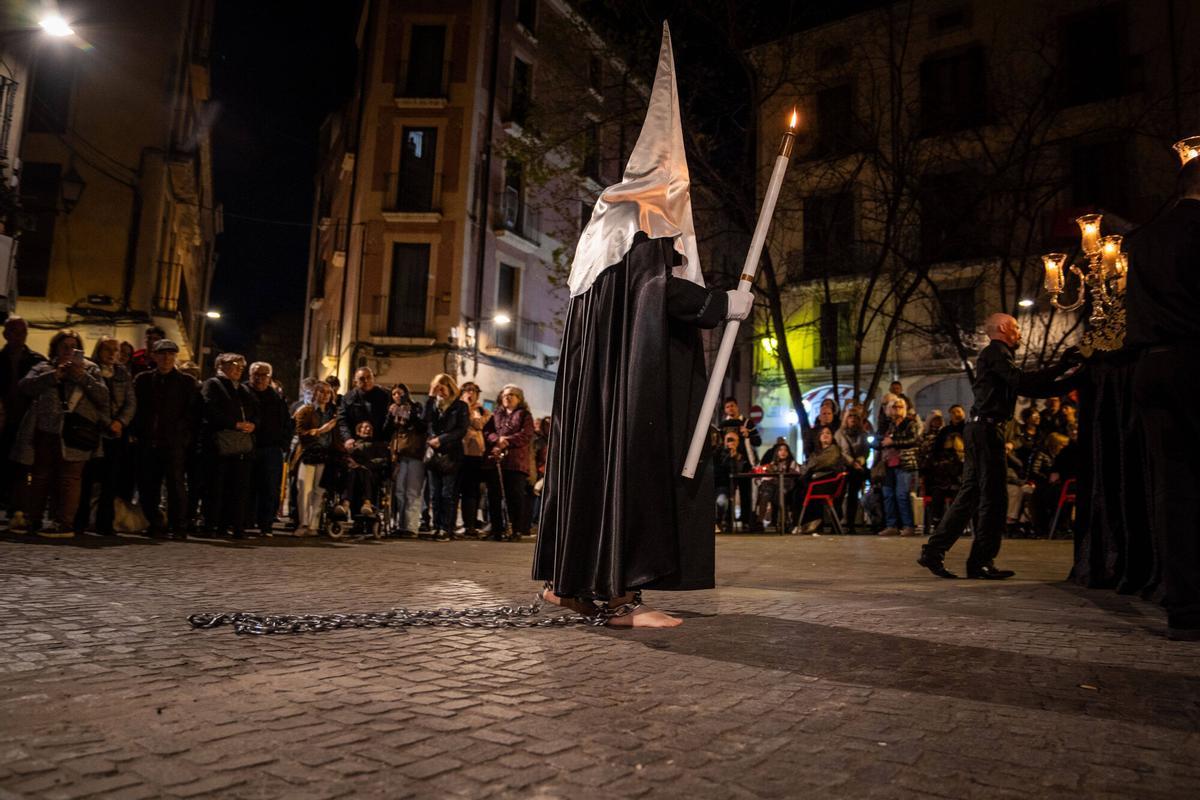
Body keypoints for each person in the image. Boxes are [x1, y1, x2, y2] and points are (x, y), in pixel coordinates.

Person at [534, 24, 755, 627]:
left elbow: (632, 299)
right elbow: (656, 295)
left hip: (596, 395)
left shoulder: (600, 230)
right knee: (625, 465)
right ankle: (622, 597)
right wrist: (721, 305)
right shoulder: (640, 227)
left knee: (591, 468)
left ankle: (568, 584)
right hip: (627, 394)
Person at [919, 313, 1080, 579]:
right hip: (986, 431)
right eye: (1016, 327)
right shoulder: (996, 352)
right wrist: (1064, 369)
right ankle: (980, 561)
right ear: (1004, 328)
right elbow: (1023, 382)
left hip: (980, 429)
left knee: (970, 495)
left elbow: (1028, 387)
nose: (1019, 332)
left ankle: (935, 552)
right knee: (994, 498)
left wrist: (1066, 377)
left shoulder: (997, 356)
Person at [1125, 152, 1200, 639]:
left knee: (1173, 489)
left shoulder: (1144, 239)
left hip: (1151, 365)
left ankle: (1185, 607)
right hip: (1196, 359)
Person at [11, 330, 109, 537]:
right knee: (40, 477)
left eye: (73, 346)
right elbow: (25, 386)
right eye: (64, 346)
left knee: (70, 479)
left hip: (76, 433)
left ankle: (64, 523)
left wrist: (81, 375)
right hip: (46, 430)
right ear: (55, 348)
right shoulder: (43, 367)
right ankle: (33, 519)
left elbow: (102, 397)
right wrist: (54, 376)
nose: (68, 350)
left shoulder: (91, 369)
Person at [132, 340, 198, 538]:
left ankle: (179, 526)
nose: (166, 358)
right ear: (154, 356)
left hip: (173, 443)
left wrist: (183, 437)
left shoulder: (186, 382)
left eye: (170, 354)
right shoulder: (143, 380)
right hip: (148, 441)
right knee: (148, 485)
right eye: (162, 354)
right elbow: (137, 409)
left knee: (175, 486)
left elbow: (192, 413)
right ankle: (155, 523)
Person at [75, 337, 136, 535]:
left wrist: (120, 422)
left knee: (111, 481)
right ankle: (80, 520)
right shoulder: (91, 370)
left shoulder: (123, 373)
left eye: (115, 350)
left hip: (116, 435)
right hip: (94, 432)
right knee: (87, 479)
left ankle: (105, 522)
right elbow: (92, 400)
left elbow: (130, 402)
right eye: (107, 349)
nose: (111, 354)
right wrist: (106, 422)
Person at [201, 353, 258, 538]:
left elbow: (255, 410)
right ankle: (211, 525)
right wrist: (234, 424)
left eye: (242, 365)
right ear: (221, 365)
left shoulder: (243, 390)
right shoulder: (213, 385)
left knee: (238, 487)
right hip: (220, 444)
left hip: (241, 446)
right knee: (216, 486)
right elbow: (210, 410)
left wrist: (253, 424)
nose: (239, 368)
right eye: (235, 364)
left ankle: (232, 525)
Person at [0, 316, 45, 527]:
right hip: (4, 418)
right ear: (6, 334)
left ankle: (17, 506)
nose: (20, 336)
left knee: (22, 465)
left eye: (23, 332)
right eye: (16, 332)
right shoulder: (0, 360)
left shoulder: (36, 361)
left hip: (26, 419)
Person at [483, 384, 535, 541]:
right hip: (496, 461)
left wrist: (507, 441)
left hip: (515, 463)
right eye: (505, 395)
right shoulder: (496, 414)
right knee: (494, 496)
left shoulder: (524, 415)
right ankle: (496, 529)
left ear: (519, 399)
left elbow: (526, 434)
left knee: (515, 497)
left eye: (512, 395)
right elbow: (487, 431)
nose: (507, 397)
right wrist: (496, 440)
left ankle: (515, 529)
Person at [246, 362, 292, 534]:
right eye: (256, 374)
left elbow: (287, 422)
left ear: (269, 378)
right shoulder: (243, 393)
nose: (260, 378)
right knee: (247, 486)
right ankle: (246, 522)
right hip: (248, 447)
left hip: (271, 448)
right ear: (250, 375)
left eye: (264, 375)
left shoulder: (276, 397)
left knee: (270, 487)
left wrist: (283, 443)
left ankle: (265, 524)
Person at [424, 373, 467, 541]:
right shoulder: (433, 405)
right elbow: (424, 421)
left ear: (450, 388)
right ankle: (436, 526)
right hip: (434, 455)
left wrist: (441, 440)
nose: (440, 391)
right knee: (434, 493)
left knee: (447, 493)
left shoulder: (460, 406)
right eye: (437, 387)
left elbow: (461, 430)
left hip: (451, 454)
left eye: (443, 387)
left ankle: (446, 527)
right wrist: (430, 397)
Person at [292, 379, 338, 536]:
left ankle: (314, 525)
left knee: (319, 490)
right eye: (321, 392)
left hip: (325, 455)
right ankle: (303, 523)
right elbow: (301, 433)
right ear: (315, 393)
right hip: (308, 453)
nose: (324, 395)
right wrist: (319, 431)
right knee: (304, 488)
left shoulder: (334, 413)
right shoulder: (306, 411)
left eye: (328, 393)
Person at [387, 383, 426, 536]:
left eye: (400, 393)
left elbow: (422, 427)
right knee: (399, 491)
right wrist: (390, 415)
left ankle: (411, 526)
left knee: (412, 491)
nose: (397, 396)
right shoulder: (392, 410)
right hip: (398, 454)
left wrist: (409, 416)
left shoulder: (416, 407)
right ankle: (400, 524)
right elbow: (387, 430)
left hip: (415, 453)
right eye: (394, 394)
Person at [718, 397, 763, 532]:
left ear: (737, 407)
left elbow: (758, 442)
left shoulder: (748, 422)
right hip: (727, 464)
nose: (730, 409)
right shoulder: (723, 425)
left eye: (732, 406)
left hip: (745, 463)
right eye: (727, 407)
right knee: (728, 492)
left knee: (746, 493)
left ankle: (746, 521)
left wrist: (748, 434)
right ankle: (727, 522)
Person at [793, 426, 844, 534]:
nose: (825, 435)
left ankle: (811, 521)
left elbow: (819, 463)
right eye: (822, 433)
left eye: (828, 433)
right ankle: (802, 523)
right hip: (817, 480)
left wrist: (809, 467)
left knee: (803, 488)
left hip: (827, 482)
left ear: (832, 437)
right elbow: (810, 465)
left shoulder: (833, 450)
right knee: (796, 490)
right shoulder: (817, 452)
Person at [456, 381, 489, 537]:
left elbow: (480, 424)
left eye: (473, 391)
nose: (470, 393)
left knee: (471, 491)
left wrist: (469, 410)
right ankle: (452, 524)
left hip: (475, 455)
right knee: (455, 490)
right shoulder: (456, 408)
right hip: (458, 452)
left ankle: (470, 524)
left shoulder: (482, 410)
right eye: (467, 390)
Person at [835, 409, 870, 534]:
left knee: (853, 496)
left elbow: (866, 451)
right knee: (839, 495)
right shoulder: (839, 434)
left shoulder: (863, 434)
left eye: (855, 416)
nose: (853, 419)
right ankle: (837, 522)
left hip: (857, 469)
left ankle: (851, 523)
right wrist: (851, 462)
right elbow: (840, 451)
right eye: (850, 416)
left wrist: (860, 461)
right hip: (844, 467)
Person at [338, 367, 391, 447]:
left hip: (381, 441)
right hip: (357, 442)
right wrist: (347, 438)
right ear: (355, 382)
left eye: (369, 377)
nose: (366, 381)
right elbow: (342, 420)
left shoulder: (385, 395)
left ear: (373, 378)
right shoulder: (348, 398)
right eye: (362, 379)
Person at [713, 430, 751, 532]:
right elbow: (718, 467)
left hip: (725, 487)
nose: (731, 442)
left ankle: (719, 521)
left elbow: (737, 472)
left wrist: (734, 458)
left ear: (738, 442)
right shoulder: (717, 452)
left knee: (721, 502)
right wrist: (727, 456)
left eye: (733, 440)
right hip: (714, 484)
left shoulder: (739, 456)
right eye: (728, 439)